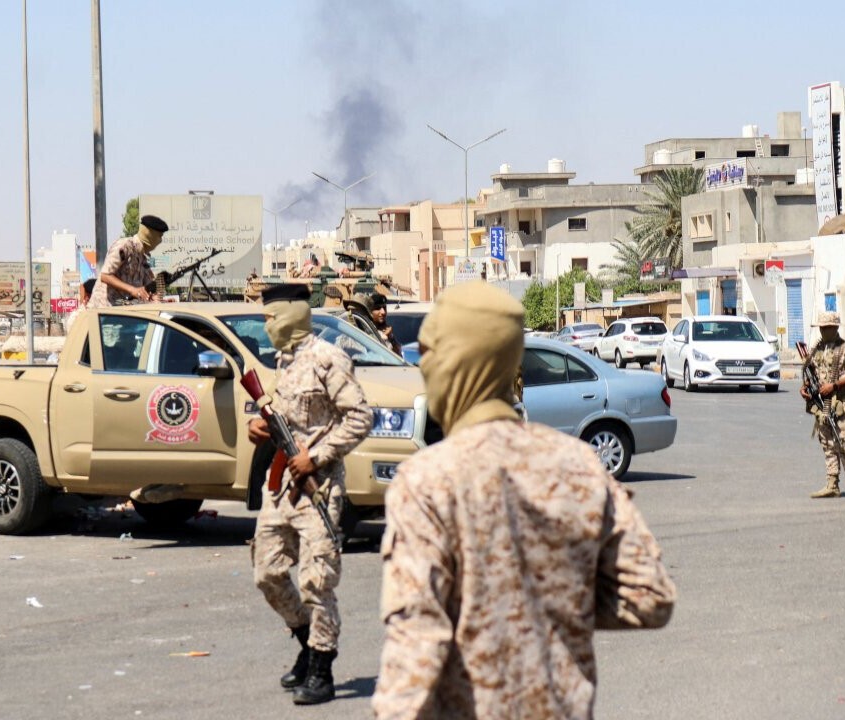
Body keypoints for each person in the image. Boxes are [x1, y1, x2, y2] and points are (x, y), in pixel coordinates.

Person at [372, 281, 676, 719]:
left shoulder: (428, 481)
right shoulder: (579, 463)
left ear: (460, 360)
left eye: (429, 352)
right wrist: (552, 600)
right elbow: (650, 596)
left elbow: (416, 646)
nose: (424, 368)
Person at [247, 283, 372, 706]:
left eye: (269, 318)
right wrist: (257, 428)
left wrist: (316, 456)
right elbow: (279, 419)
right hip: (281, 487)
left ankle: (322, 668)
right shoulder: (283, 363)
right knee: (266, 573)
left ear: (288, 316)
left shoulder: (327, 358)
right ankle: (305, 643)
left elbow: (360, 417)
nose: (266, 327)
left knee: (317, 580)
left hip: (318, 487)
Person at [801, 311, 845, 499]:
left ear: (835, 327)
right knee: (827, 443)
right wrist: (805, 388)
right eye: (821, 327)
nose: (824, 330)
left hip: (841, 403)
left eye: (827, 327)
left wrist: (834, 385)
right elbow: (810, 373)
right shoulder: (816, 349)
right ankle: (832, 483)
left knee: (844, 442)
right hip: (822, 404)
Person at [87, 215, 168, 308]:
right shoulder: (125, 247)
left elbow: (147, 288)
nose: (160, 241)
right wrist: (132, 290)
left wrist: (159, 300)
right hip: (103, 311)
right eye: (159, 236)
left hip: (121, 312)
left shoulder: (143, 258)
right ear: (150, 235)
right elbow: (105, 275)